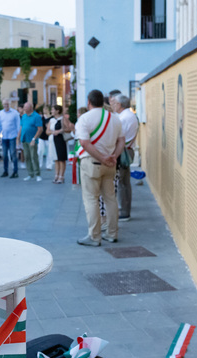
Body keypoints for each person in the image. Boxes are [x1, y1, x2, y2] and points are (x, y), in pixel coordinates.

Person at [75, 90, 124, 247]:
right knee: (110, 198)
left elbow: (84, 143)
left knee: (91, 199)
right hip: (110, 163)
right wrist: (113, 156)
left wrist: (101, 157)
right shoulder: (115, 118)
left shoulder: (84, 118)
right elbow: (122, 140)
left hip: (92, 162)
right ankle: (112, 233)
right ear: (103, 102)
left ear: (89, 101)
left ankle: (94, 236)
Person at [112, 94, 139, 221]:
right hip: (128, 150)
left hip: (123, 151)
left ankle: (124, 211)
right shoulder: (130, 115)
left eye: (115, 103)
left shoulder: (123, 118)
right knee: (125, 182)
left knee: (121, 183)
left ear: (120, 105)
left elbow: (118, 137)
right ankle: (125, 209)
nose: (113, 106)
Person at [19, 102, 43, 182]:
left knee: (34, 156)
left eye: (26, 107)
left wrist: (34, 139)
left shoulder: (36, 116)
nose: (24, 109)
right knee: (27, 157)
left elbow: (40, 129)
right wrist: (18, 137)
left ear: (31, 108)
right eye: (24, 107)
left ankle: (38, 174)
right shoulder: (24, 116)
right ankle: (30, 174)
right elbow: (22, 127)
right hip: (24, 139)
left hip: (32, 140)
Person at [0, 98, 20, 178]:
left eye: (7, 104)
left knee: (13, 154)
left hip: (12, 136)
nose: (6, 106)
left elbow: (18, 125)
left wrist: (18, 136)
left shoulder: (15, 113)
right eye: (4, 104)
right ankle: (5, 171)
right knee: (4, 155)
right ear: (2, 105)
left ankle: (15, 171)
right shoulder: (0, 113)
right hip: (4, 136)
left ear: (10, 104)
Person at [47, 105, 68, 183]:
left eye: (53, 109)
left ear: (57, 111)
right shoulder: (51, 120)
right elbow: (47, 131)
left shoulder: (63, 119)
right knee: (56, 159)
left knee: (61, 159)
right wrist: (53, 132)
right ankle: (56, 175)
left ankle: (61, 176)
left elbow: (68, 128)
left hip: (61, 140)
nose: (51, 111)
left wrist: (59, 131)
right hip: (53, 140)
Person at [38, 105, 52, 170]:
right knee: (40, 150)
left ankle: (49, 165)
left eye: (46, 109)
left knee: (49, 152)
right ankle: (39, 164)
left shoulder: (51, 118)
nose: (44, 110)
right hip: (41, 136)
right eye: (44, 109)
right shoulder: (41, 118)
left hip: (48, 137)